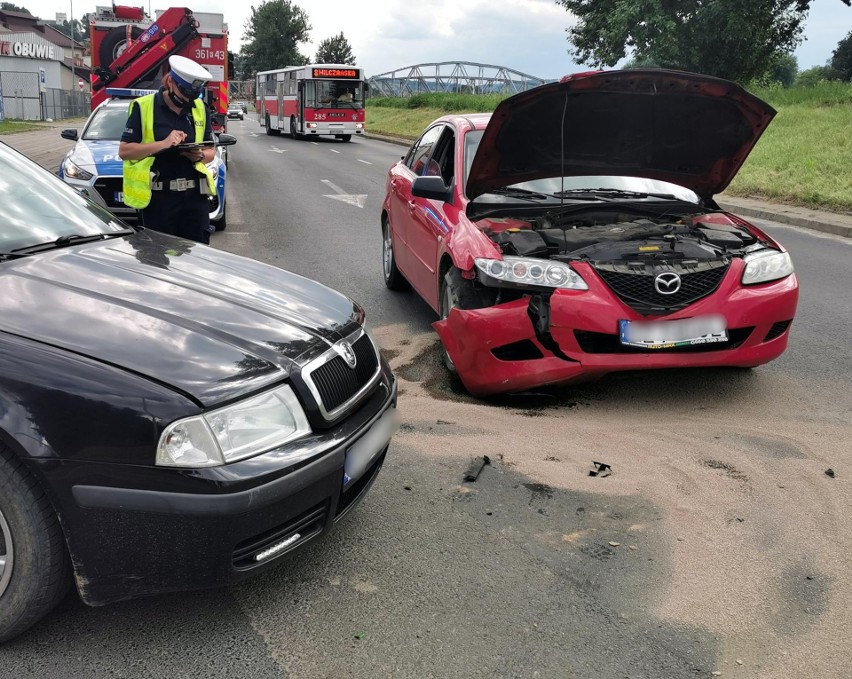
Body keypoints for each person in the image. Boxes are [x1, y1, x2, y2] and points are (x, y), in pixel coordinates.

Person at [119, 55, 217, 244]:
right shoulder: (144, 107)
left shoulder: (199, 108)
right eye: (185, 93)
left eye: (193, 95)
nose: (188, 100)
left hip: (195, 199)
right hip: (160, 199)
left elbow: (210, 151)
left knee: (198, 259)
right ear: (171, 81)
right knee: (159, 259)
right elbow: (125, 151)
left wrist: (199, 155)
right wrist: (163, 144)